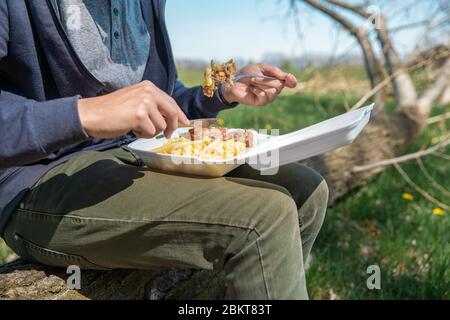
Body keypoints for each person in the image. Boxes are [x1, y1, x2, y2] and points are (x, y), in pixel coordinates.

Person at [0, 0, 328, 299]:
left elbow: (158, 97)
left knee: (306, 190)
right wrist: (84, 114)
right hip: (38, 179)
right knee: (265, 217)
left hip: (137, 153)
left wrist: (219, 94)